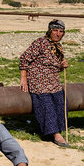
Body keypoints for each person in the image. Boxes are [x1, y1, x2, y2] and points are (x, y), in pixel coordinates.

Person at [19, 19, 70, 147]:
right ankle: (55, 135)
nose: (58, 34)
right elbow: (24, 58)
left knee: (62, 102)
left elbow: (55, 64)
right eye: (55, 31)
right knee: (47, 106)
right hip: (39, 81)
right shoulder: (40, 43)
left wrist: (63, 64)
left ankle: (56, 129)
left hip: (53, 81)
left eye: (61, 32)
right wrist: (24, 78)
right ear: (49, 31)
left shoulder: (58, 46)